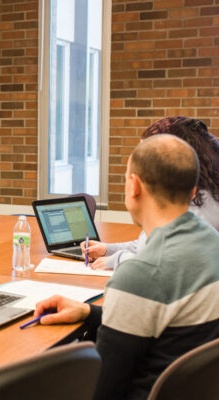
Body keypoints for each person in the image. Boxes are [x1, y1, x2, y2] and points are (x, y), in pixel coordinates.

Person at [34, 134, 219, 400]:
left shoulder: (141, 274)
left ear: (134, 186)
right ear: (192, 190)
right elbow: (166, 324)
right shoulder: (211, 241)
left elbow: (101, 390)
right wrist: (89, 312)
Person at [83, 116, 219, 269]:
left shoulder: (196, 211)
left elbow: (162, 262)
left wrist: (117, 259)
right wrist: (107, 249)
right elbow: (148, 244)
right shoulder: (182, 197)